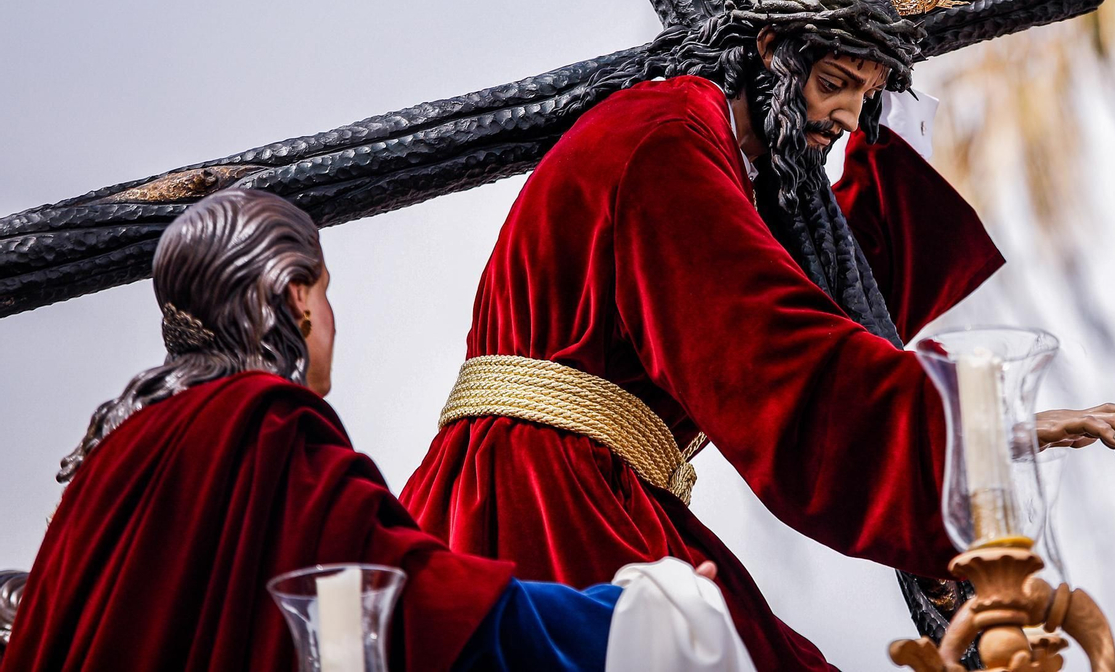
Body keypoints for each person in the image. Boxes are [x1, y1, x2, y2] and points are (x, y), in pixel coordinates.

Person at [400, 0, 1115, 671]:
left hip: (587, 486)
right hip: (538, 502)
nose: (846, 120)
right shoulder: (667, 141)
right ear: (767, 50)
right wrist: (981, 433)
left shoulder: (734, 162)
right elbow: (775, 357)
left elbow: (838, 300)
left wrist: (896, 135)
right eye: (833, 84)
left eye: (866, 98)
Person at [0, 189, 754, 672]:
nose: (329, 317)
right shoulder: (267, 427)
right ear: (294, 296)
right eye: (325, 292)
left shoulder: (120, 446)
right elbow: (403, 611)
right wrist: (640, 615)